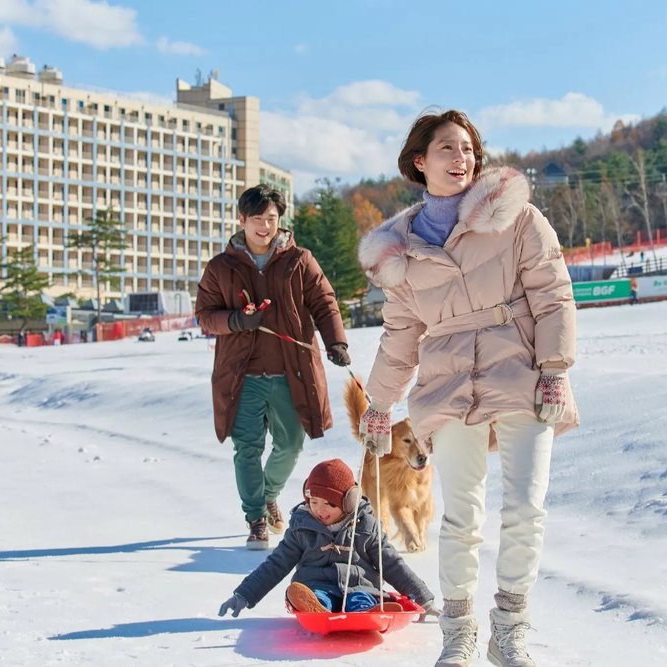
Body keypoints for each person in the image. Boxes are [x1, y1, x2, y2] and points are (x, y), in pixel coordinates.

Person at [357, 110, 579, 667]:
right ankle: (458, 635)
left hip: (522, 374)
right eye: (448, 149)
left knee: (526, 509)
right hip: (448, 384)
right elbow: (400, 337)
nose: (462, 159)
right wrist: (379, 404)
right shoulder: (400, 251)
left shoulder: (517, 217)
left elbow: (553, 293)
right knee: (461, 516)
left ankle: (509, 631)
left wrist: (554, 368)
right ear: (420, 161)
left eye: (468, 149)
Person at [195, 184, 351, 551]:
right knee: (247, 448)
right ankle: (256, 518)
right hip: (242, 377)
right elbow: (204, 315)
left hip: (290, 373)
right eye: (257, 219)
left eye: (271, 219)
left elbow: (324, 301)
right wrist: (236, 320)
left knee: (291, 444)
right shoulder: (221, 267)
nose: (265, 227)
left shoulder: (299, 259)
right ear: (241, 220)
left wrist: (337, 342)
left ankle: (267, 494)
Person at [217, 458, 435, 618]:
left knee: (360, 598)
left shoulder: (366, 527)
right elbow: (276, 565)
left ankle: (369, 611)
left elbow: (392, 564)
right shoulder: (302, 528)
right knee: (316, 595)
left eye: (329, 504)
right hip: (316, 585)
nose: (320, 510)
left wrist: (423, 599)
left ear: (348, 502)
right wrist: (244, 595)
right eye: (313, 502)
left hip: (360, 586)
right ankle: (316, 608)